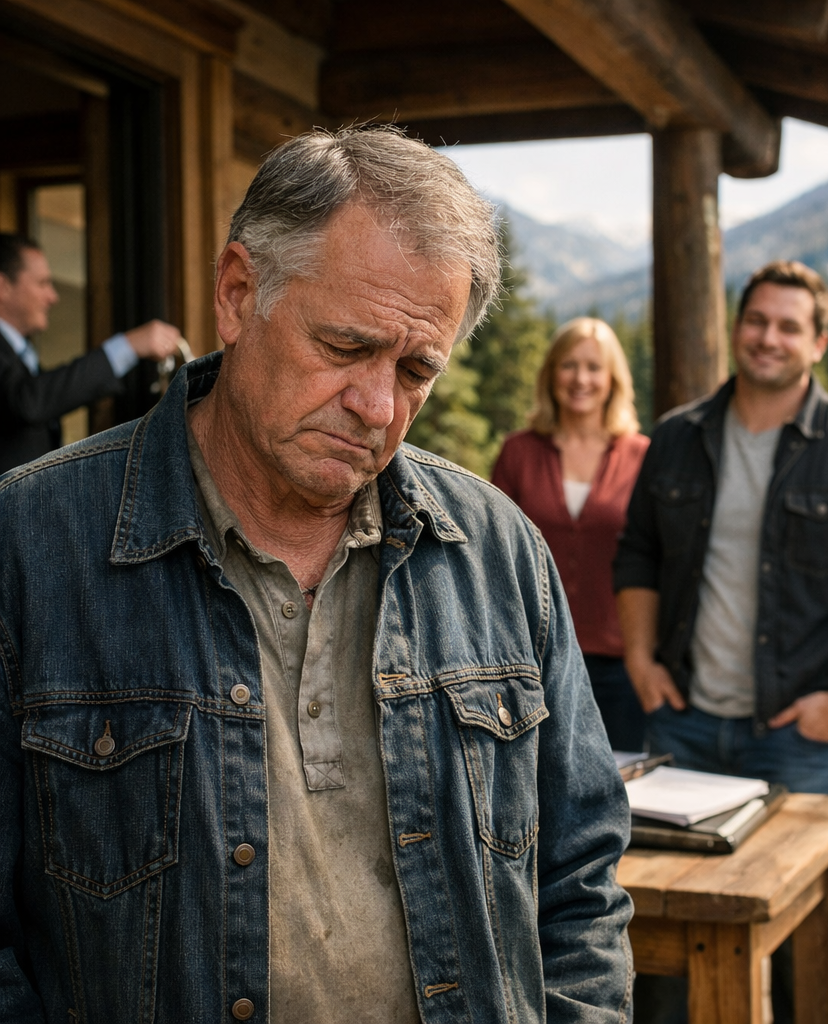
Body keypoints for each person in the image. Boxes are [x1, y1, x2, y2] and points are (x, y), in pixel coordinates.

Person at [0, 128, 634, 1024]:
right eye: (344, 347)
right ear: (237, 292)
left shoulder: (498, 552)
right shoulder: (29, 545)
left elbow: (581, 879)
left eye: (417, 370)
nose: (379, 408)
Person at [614, 261, 828, 1024]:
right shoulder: (679, 437)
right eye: (758, 320)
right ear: (736, 326)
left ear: (818, 342)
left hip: (804, 739)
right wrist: (639, 660)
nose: (769, 337)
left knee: (805, 942)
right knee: (661, 932)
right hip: (684, 728)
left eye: (790, 326)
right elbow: (638, 555)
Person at [492, 317, 650, 751]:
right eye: (569, 365)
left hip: (622, 665)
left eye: (594, 367)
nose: (581, 379)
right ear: (550, 375)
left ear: (613, 379)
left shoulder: (643, 457)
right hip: (531, 659)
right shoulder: (519, 452)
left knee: (624, 790)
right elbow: (494, 555)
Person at [0, 232, 183, 474]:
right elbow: (30, 402)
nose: (53, 297)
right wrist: (128, 346)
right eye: (43, 283)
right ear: (3, 286)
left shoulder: (21, 353)